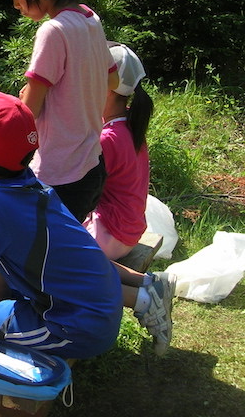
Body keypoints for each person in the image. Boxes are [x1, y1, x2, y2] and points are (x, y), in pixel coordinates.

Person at [0, 92, 123, 395]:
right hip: (96, 305)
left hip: (74, 326)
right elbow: (4, 253)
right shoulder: (27, 180)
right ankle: (5, 326)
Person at [0, 0, 119, 222]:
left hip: (58, 174)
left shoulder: (53, 31)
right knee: (65, 250)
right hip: (91, 167)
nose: (15, 4)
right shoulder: (89, 19)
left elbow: (30, 110)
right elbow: (113, 81)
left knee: (40, 258)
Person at [84, 42, 175, 355]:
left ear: (106, 90)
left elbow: (78, 182)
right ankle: (149, 284)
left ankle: (143, 300)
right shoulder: (126, 127)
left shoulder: (108, 137)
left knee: (68, 265)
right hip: (127, 225)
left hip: (112, 230)